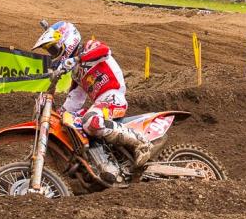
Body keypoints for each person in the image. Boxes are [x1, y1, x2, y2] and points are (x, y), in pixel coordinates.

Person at [33, 21, 157, 176]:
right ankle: (98, 162)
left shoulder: (91, 47)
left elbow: (104, 50)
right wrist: (59, 114)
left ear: (67, 40)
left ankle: (142, 143)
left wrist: (76, 59)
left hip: (113, 97)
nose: (53, 53)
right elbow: (75, 99)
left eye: (53, 48)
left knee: (90, 120)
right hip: (100, 103)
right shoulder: (76, 73)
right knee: (70, 123)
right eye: (50, 50)